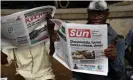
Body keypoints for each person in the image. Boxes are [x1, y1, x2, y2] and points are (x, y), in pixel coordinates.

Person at [72, 1, 126, 80]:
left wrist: (114, 59)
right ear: (88, 13)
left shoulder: (117, 40)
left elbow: (120, 75)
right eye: (92, 13)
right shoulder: (77, 33)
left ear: (107, 14)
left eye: (100, 13)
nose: (96, 17)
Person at [1, 13, 55, 80]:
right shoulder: (14, 39)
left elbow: (51, 52)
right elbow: (4, 61)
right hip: (23, 75)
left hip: (44, 74)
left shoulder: (42, 35)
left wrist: (51, 31)